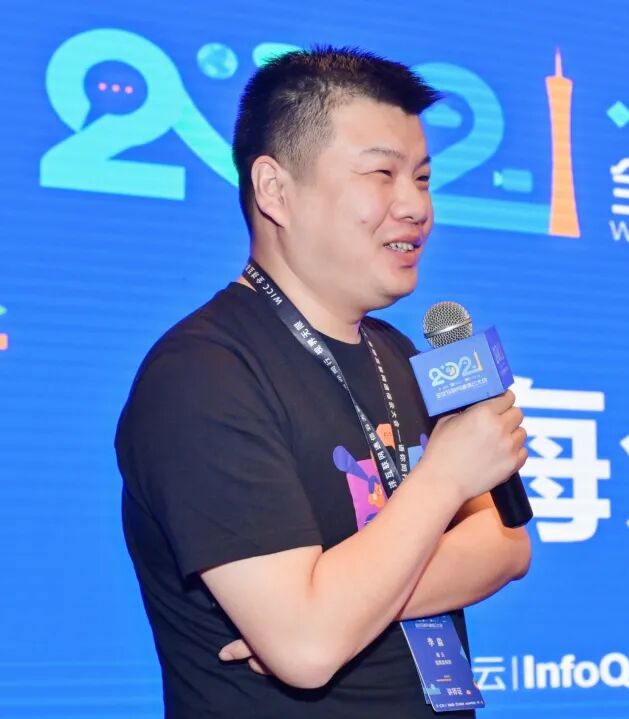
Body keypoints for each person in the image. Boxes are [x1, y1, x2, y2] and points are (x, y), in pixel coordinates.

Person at [115, 46, 531, 718]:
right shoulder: (200, 375)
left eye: (423, 178)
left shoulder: (401, 353)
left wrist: (341, 606)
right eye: (382, 174)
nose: (415, 206)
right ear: (275, 190)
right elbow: (308, 648)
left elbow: (506, 545)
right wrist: (444, 479)